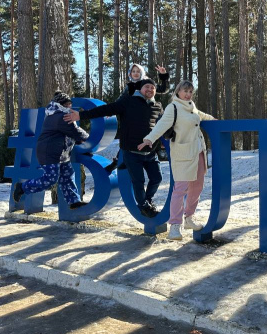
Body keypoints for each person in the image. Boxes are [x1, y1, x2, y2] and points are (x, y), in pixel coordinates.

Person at [64, 80, 164, 218]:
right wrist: (81, 115)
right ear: (140, 89)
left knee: (157, 178)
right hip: (132, 152)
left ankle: (148, 201)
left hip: (151, 152)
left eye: (153, 87)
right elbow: (105, 109)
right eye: (147, 86)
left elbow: (164, 123)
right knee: (138, 181)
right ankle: (143, 206)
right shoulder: (128, 101)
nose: (150, 89)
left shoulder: (157, 106)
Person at [138, 80, 216, 240]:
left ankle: (189, 218)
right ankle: (174, 226)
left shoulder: (191, 106)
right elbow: (161, 125)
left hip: (198, 152)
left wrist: (214, 120)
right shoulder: (173, 107)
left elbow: (201, 115)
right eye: (185, 91)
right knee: (180, 189)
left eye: (190, 92)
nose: (188, 94)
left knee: (197, 187)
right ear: (178, 91)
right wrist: (149, 138)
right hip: (183, 154)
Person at [13, 92, 89, 209]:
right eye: (66, 104)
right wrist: (89, 139)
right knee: (50, 179)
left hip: (61, 153)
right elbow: (75, 131)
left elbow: (69, 133)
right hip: (49, 153)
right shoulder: (60, 116)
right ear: (60, 104)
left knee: (68, 176)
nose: (69, 106)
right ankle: (22, 187)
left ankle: (74, 201)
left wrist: (79, 140)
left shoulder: (57, 114)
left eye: (70, 104)